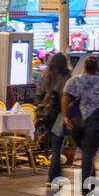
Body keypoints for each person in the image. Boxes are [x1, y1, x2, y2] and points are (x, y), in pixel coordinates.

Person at [62, 55, 99, 192]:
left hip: (76, 120)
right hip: (97, 121)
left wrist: (65, 116)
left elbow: (66, 97)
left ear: (84, 67)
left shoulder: (74, 81)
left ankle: (91, 178)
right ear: (97, 68)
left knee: (87, 152)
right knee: (88, 153)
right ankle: (86, 186)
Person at [36, 53, 72, 189]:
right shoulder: (66, 78)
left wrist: (39, 109)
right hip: (59, 115)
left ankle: (56, 175)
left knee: (54, 146)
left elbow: (38, 94)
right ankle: (53, 177)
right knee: (57, 147)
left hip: (46, 115)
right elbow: (67, 97)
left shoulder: (46, 77)